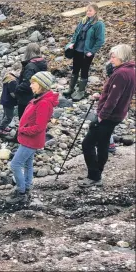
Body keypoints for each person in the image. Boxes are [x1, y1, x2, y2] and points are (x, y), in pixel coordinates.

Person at [79, 44, 135, 187]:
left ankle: (94, 176)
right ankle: (97, 173)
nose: (111, 59)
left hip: (109, 116)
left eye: (113, 56)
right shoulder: (131, 70)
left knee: (88, 144)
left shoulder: (120, 73)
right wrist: (101, 95)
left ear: (122, 56)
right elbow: (119, 94)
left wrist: (101, 116)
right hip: (118, 114)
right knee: (103, 143)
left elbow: (113, 99)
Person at [7, 72, 58, 203]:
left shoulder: (44, 103)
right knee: (27, 164)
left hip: (31, 140)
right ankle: (27, 187)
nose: (30, 86)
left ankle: (21, 191)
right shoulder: (39, 99)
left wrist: (22, 129)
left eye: (33, 83)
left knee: (15, 164)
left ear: (41, 85)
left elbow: (39, 127)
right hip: (30, 139)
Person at [64, 2, 106, 101]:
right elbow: (76, 33)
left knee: (84, 70)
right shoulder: (83, 21)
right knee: (75, 69)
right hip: (77, 49)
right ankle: (71, 88)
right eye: (87, 10)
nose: (88, 12)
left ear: (95, 11)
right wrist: (72, 43)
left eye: (90, 10)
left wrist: (92, 51)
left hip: (87, 52)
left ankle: (81, 91)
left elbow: (100, 40)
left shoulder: (99, 24)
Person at [15, 43, 47, 120]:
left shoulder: (30, 66)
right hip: (39, 96)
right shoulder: (43, 63)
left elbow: (27, 84)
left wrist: (17, 89)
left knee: (24, 120)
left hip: (26, 99)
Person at [0, 71, 19, 135]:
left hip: (4, 100)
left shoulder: (7, 79)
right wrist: (18, 98)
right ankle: (0, 129)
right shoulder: (12, 81)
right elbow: (13, 94)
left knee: (5, 115)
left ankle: (3, 126)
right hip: (9, 101)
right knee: (9, 117)